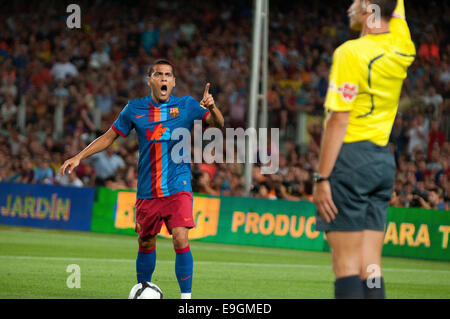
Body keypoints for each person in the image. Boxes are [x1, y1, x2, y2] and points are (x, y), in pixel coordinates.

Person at [60, 59, 224, 299]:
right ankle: (142, 290)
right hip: (148, 190)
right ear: (150, 80)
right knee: (146, 241)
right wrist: (79, 156)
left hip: (178, 186)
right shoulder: (134, 109)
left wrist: (213, 106)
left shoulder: (187, 105)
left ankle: (186, 300)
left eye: (168, 74)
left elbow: (217, 124)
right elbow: (109, 137)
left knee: (180, 236)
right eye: (158, 74)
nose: (164, 78)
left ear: (174, 81)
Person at [312, 0, 415, 299]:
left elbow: (338, 119)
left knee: (346, 265)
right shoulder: (402, 44)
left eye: (356, 2)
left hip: (349, 159)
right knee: (370, 266)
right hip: (382, 161)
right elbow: (394, 8)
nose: (349, 7)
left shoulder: (350, 53)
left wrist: (322, 178)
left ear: (370, 9)